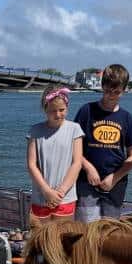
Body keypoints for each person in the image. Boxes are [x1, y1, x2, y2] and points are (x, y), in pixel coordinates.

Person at [74, 64, 132, 222]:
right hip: (86, 182)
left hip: (115, 185)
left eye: (116, 92)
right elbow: (74, 148)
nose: (111, 95)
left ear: (124, 90)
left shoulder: (127, 118)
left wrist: (115, 177)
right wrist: (88, 168)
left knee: (109, 231)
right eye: (107, 90)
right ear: (102, 86)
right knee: (87, 230)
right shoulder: (86, 111)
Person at [26, 86, 84, 221]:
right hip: (41, 196)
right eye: (53, 111)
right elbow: (31, 164)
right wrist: (46, 191)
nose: (58, 114)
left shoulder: (74, 129)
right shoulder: (35, 131)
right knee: (41, 239)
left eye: (62, 110)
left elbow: (77, 163)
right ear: (45, 109)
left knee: (63, 238)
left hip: (65, 197)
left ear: (67, 107)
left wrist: (60, 192)